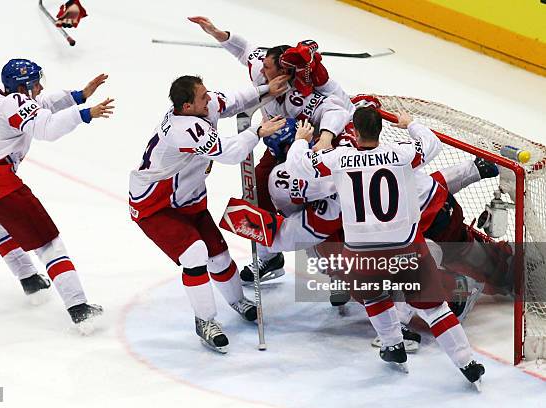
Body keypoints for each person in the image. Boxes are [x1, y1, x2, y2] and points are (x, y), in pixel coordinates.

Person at [287, 108, 485, 386]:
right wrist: (411, 124)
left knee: (374, 296)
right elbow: (432, 144)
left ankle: (393, 344)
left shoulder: (340, 158)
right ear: (380, 129)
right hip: (407, 247)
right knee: (435, 308)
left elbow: (297, 167)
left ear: (354, 132)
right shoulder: (401, 153)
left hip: (361, 251)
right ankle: (468, 362)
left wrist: (299, 139)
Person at [0, 59, 114, 331]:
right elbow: (45, 128)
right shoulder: (16, 103)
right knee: (48, 243)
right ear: (22, 86)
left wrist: (79, 96)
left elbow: (39, 107)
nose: (39, 87)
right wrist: (84, 113)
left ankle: (30, 280)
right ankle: (79, 308)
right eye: (35, 83)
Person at [129, 74, 288, 353]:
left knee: (218, 254)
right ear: (187, 106)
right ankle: (204, 320)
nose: (209, 99)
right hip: (155, 204)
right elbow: (229, 153)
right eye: (203, 97)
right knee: (195, 254)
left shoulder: (201, 106)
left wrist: (266, 89)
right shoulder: (182, 130)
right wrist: (256, 133)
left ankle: (238, 301)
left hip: (189, 197)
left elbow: (234, 100)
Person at [189, 16, 355, 282]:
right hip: (277, 146)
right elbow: (245, 50)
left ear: (285, 72)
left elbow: (340, 110)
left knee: (320, 207)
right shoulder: (261, 69)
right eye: (263, 65)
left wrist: (325, 138)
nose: (261, 70)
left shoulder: (304, 95)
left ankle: (337, 269)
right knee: (257, 186)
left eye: (268, 68)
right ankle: (269, 257)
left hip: (308, 151)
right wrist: (217, 33)